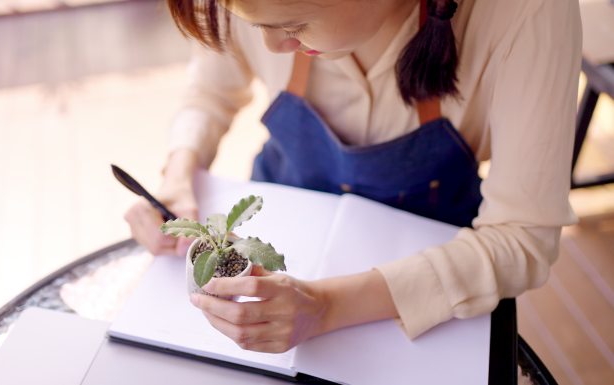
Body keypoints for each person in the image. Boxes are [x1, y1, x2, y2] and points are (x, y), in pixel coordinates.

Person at [124, 0, 582, 353]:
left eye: (294, 25)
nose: (270, 47)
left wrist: (327, 307)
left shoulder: (526, 13)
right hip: (285, 235)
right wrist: (179, 170)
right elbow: (209, 89)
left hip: (431, 289)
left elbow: (522, 238)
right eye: (253, 23)